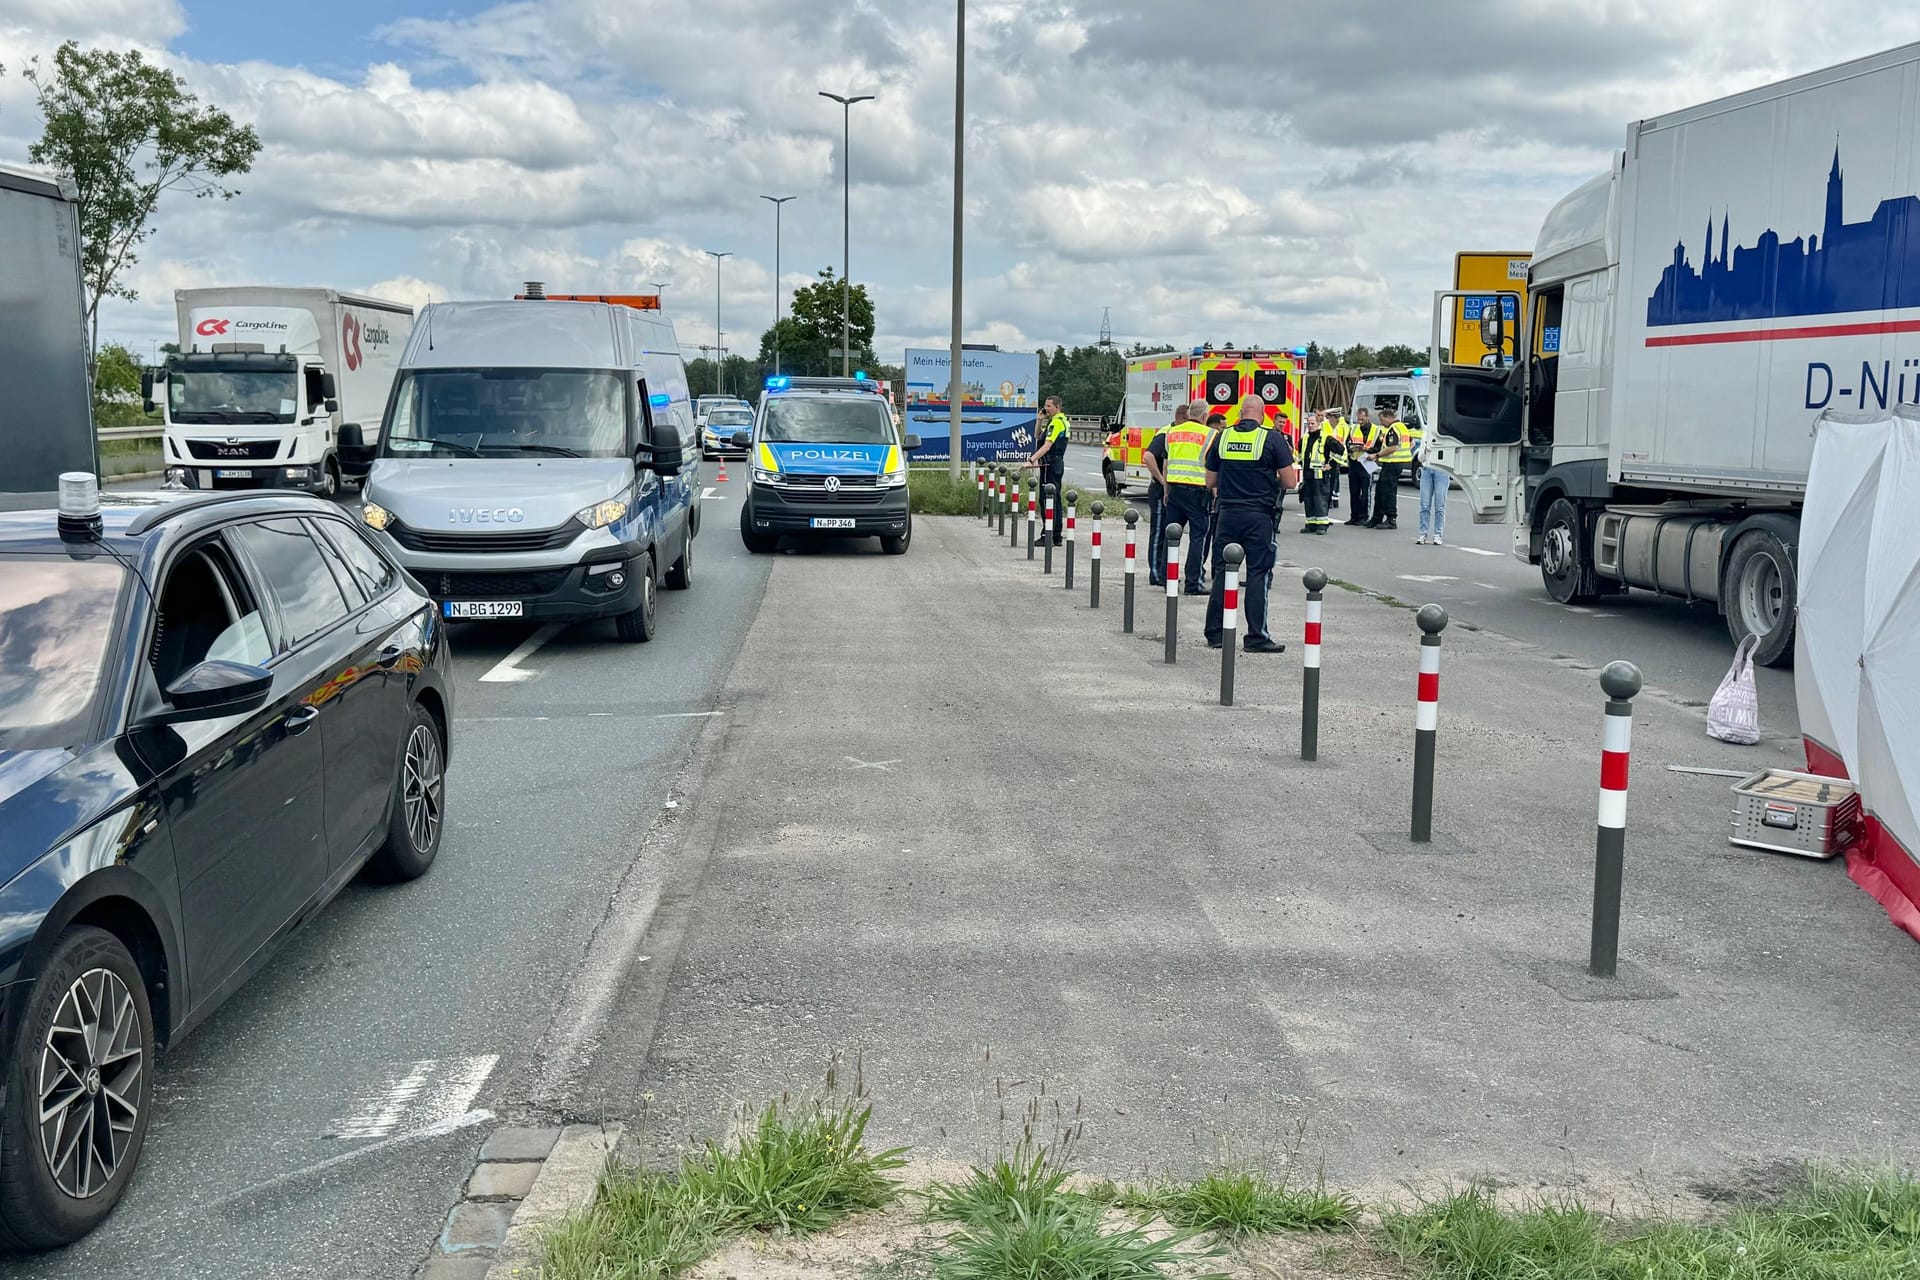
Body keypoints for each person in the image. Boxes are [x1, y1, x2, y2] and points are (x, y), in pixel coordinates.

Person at [1204, 393, 1299, 654]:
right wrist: (1268, 482)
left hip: (1227, 514)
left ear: (1240, 412)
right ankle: (1256, 636)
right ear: (1263, 413)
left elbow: (1210, 481)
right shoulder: (1272, 438)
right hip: (1258, 516)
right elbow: (1290, 482)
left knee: (1223, 571)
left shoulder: (1223, 437)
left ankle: (1215, 633)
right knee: (1258, 574)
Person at [1161, 398, 1214, 595]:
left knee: (1171, 535)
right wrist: (1214, 493)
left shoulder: (1172, 432)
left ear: (1190, 413)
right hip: (1198, 491)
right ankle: (1193, 583)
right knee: (1198, 536)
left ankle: (1168, 579)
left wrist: (1166, 491)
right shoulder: (1210, 435)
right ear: (1205, 416)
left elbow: (1166, 465)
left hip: (1174, 489)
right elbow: (1212, 468)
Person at [1026, 396, 1071, 544]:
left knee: (1046, 500)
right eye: (1045, 406)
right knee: (1055, 499)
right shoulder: (1058, 421)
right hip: (1056, 464)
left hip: (1050, 464)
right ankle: (1056, 535)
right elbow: (1038, 436)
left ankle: (1047, 535)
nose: (1046, 408)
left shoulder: (1056, 423)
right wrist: (1040, 419)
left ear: (1058, 407)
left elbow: (1047, 445)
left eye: (1049, 406)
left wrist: (1031, 460)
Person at [1367, 405, 1419, 530]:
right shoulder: (1402, 427)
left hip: (1392, 463)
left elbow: (1392, 447)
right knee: (1380, 491)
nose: (1382, 423)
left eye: (1382, 420)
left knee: (1387, 492)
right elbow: (1411, 443)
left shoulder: (1393, 428)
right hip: (1396, 463)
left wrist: (1377, 455)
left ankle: (1391, 519)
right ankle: (1376, 518)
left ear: (1388, 417)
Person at [1142, 405, 1178, 585]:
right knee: (1158, 533)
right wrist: (1162, 480)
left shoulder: (1176, 433)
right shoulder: (1166, 433)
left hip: (1172, 491)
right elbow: (1148, 457)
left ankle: (1164, 572)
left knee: (1168, 532)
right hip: (1158, 490)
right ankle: (1155, 574)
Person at [1297, 411, 1345, 535]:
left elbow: (1341, 450)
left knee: (1320, 500)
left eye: (1312, 423)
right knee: (1308, 500)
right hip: (1308, 475)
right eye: (1308, 424)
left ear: (1319, 424)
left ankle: (1322, 525)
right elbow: (1300, 455)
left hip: (1320, 475)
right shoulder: (1304, 439)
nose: (1310, 426)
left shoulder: (1326, 438)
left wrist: (1332, 464)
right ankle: (1311, 524)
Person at [1343, 408, 1378, 526]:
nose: (1360, 421)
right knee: (1354, 492)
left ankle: (1364, 517)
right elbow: (1347, 443)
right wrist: (1351, 447)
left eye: (1362, 419)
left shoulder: (1376, 430)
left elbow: (1379, 448)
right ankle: (1354, 516)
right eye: (1358, 419)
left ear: (1367, 417)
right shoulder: (1353, 428)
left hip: (1367, 463)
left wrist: (1367, 449)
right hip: (1354, 462)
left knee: (1365, 492)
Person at [1415, 418, 1446, 544]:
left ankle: (1438, 535)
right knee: (1425, 505)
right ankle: (1423, 534)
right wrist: (1426, 450)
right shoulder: (1426, 434)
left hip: (1441, 470)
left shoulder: (1445, 435)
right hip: (1427, 469)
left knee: (1440, 506)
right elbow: (1420, 457)